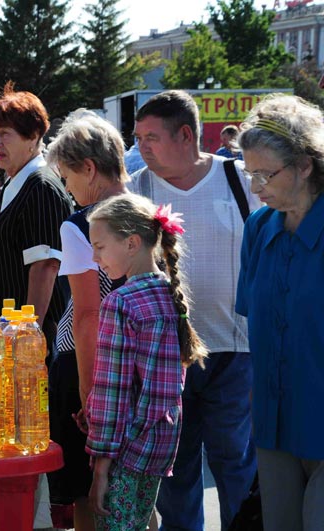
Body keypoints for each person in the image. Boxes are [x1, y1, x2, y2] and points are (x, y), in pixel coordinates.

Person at [130, 89, 260, 531]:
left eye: (151, 137)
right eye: (138, 137)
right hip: (167, 359)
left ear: (186, 135)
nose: (141, 147)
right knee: (176, 474)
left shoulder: (242, 179)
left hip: (235, 351)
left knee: (235, 467)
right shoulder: (138, 190)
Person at [85, 193, 207, 530]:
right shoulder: (168, 291)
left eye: (99, 246)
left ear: (132, 243)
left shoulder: (120, 302)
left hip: (124, 448)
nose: (95, 257)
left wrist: (101, 466)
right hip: (160, 443)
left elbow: (114, 390)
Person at [236, 94, 324, 530]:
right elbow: (256, 324)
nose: (256, 187)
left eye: (265, 174)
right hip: (273, 426)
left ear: (306, 164)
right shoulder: (258, 228)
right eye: (249, 174)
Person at [43, 109, 129, 531]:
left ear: (90, 169)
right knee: (135, 494)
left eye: (68, 176)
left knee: (87, 499)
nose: (67, 187)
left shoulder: (81, 225)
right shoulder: (153, 214)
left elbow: (87, 315)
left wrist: (89, 396)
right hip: (139, 368)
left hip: (88, 364)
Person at [0, 82, 73, 355]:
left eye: (5, 134)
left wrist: (26, 334)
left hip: (28, 342)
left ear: (33, 137)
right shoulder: (16, 181)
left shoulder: (41, 186)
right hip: (7, 331)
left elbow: (45, 267)